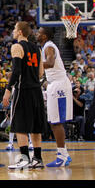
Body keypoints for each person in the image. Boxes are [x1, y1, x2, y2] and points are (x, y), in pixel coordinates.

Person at [2, 21, 46, 170]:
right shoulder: (37, 49)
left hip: (23, 90)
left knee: (20, 126)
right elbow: (40, 73)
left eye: (15, 29)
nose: (13, 31)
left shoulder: (16, 46)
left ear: (20, 32)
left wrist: (8, 90)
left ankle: (25, 158)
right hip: (37, 90)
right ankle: (38, 159)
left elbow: (16, 71)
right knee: (35, 127)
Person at [37, 27, 73, 167]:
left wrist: (33, 65)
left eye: (39, 33)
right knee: (53, 121)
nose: (37, 34)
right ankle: (64, 154)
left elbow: (50, 63)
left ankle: (62, 156)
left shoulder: (49, 47)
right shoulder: (46, 46)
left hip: (59, 86)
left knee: (56, 122)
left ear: (44, 36)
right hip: (54, 85)